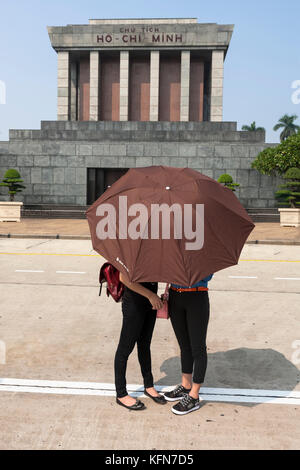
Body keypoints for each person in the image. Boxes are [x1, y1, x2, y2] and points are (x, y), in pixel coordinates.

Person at [114, 273, 167, 410]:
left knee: (144, 345)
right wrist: (150, 295)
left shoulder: (155, 251)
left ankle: (148, 386)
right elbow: (124, 278)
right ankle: (121, 394)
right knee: (125, 349)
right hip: (134, 304)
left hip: (151, 304)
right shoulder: (132, 250)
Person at [164, 274, 213, 415]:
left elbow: (208, 275)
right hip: (175, 295)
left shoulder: (203, 251)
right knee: (184, 345)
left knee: (198, 348)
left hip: (196, 296)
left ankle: (194, 396)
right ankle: (186, 385)